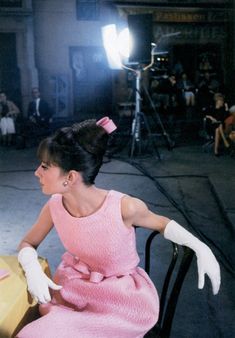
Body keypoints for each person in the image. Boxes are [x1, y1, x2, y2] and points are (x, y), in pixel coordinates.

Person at [16, 117, 221, 338]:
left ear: (70, 177)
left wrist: (201, 247)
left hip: (120, 302)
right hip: (74, 292)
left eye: (45, 166)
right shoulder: (55, 206)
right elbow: (28, 242)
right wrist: (31, 266)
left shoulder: (124, 207)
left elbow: (162, 223)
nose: (37, 171)